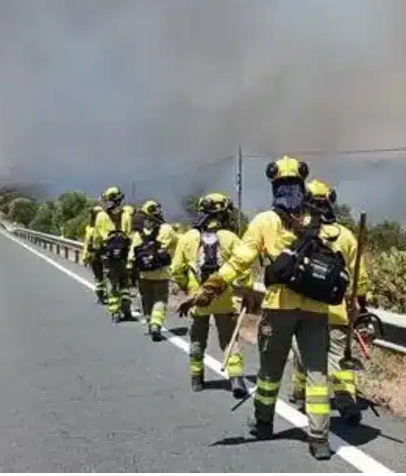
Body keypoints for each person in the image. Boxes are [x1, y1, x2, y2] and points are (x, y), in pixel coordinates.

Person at [176, 155, 350, 461]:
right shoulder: (319, 223)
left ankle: (263, 423)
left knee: (270, 372)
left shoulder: (264, 222)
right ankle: (319, 439)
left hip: (278, 307)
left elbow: (238, 262)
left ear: (274, 186)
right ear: (302, 184)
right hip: (316, 310)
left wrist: (207, 289)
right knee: (317, 373)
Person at [289, 179, 371, 425]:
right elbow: (360, 277)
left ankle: (302, 395)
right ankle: (347, 403)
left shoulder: (299, 231)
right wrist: (360, 306)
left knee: (304, 354)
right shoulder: (346, 235)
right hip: (337, 310)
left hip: (306, 308)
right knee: (339, 357)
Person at [169, 192, 250, 397]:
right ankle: (236, 378)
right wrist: (244, 289)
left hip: (198, 300)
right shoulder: (230, 237)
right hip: (224, 299)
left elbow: (176, 268)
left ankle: (197, 378)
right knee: (229, 339)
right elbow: (244, 267)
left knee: (197, 339)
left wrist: (187, 289)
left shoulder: (187, 238)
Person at [129, 199, 178, 341]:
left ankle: (150, 322)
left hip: (144, 274)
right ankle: (156, 324)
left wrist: (131, 269)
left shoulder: (139, 233)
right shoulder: (167, 229)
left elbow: (133, 253)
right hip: (162, 273)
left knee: (146, 300)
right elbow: (176, 243)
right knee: (160, 300)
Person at [92, 186, 135, 322]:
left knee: (112, 284)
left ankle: (115, 312)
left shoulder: (100, 216)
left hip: (108, 257)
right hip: (123, 256)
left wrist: (96, 251)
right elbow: (130, 236)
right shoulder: (127, 215)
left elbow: (97, 237)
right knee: (125, 284)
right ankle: (126, 310)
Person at [79, 205, 108, 304]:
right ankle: (105, 295)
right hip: (103, 254)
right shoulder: (105, 228)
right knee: (104, 277)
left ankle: (101, 296)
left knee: (99, 277)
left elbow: (87, 244)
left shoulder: (90, 230)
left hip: (94, 256)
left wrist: (84, 257)